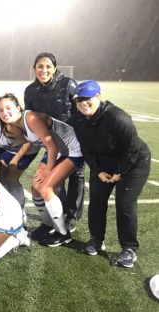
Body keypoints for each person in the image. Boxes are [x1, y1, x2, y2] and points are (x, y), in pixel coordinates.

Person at [73, 80, 150, 268]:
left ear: (99, 96)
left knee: (124, 203)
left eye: (87, 98)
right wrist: (98, 171)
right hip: (104, 165)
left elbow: (132, 149)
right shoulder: (81, 120)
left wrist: (118, 173)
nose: (83, 103)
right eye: (79, 100)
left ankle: (129, 248)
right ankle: (96, 240)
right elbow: (86, 150)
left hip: (133, 164)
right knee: (97, 201)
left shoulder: (117, 117)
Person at [0, 93, 83, 247]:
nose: (5, 113)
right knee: (35, 188)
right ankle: (47, 225)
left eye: (8, 108)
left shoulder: (30, 118)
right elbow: (33, 143)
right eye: (1, 110)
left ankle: (63, 234)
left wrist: (48, 170)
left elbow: (51, 145)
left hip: (72, 149)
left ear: (18, 107)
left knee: (45, 188)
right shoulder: (14, 125)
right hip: (58, 150)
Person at [24, 52, 84, 232]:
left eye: (48, 66)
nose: (44, 70)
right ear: (34, 68)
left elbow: (79, 111)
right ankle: (61, 211)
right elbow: (31, 118)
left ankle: (71, 215)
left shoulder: (68, 85)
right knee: (53, 180)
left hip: (73, 140)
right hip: (52, 143)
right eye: (40, 66)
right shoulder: (30, 91)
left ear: (55, 68)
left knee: (76, 176)